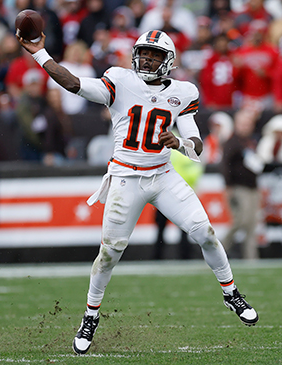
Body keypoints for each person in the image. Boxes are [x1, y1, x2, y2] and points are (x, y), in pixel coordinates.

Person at [17, 29, 259, 355]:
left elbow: (197, 146)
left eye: (155, 54)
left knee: (205, 232)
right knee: (109, 254)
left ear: (168, 61)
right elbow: (74, 83)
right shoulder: (119, 80)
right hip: (125, 178)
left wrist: (182, 143)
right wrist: (40, 54)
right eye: (144, 52)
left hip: (163, 176)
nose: (147, 58)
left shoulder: (184, 92)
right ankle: (90, 316)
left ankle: (231, 293)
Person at [220, 108, 263, 260]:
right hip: (239, 187)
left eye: (248, 124)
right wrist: (228, 186)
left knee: (252, 224)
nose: (246, 127)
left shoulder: (251, 141)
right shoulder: (232, 142)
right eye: (243, 124)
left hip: (253, 188)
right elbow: (225, 164)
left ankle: (251, 259)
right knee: (241, 221)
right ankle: (219, 251)